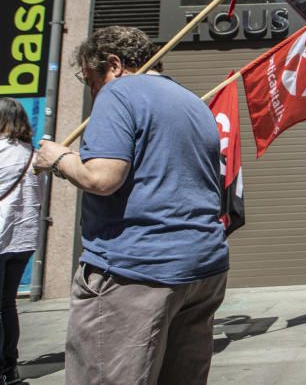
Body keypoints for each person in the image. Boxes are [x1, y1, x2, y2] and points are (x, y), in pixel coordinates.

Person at [32, 26, 228, 385]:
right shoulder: (191, 101)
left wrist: (59, 159)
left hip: (135, 269)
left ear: (114, 63)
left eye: (89, 79)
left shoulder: (118, 93)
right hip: (203, 266)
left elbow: (102, 178)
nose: (92, 91)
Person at [0, 99, 39, 385]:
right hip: (24, 239)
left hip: (1, 236)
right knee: (7, 305)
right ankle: (8, 368)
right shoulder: (33, 155)